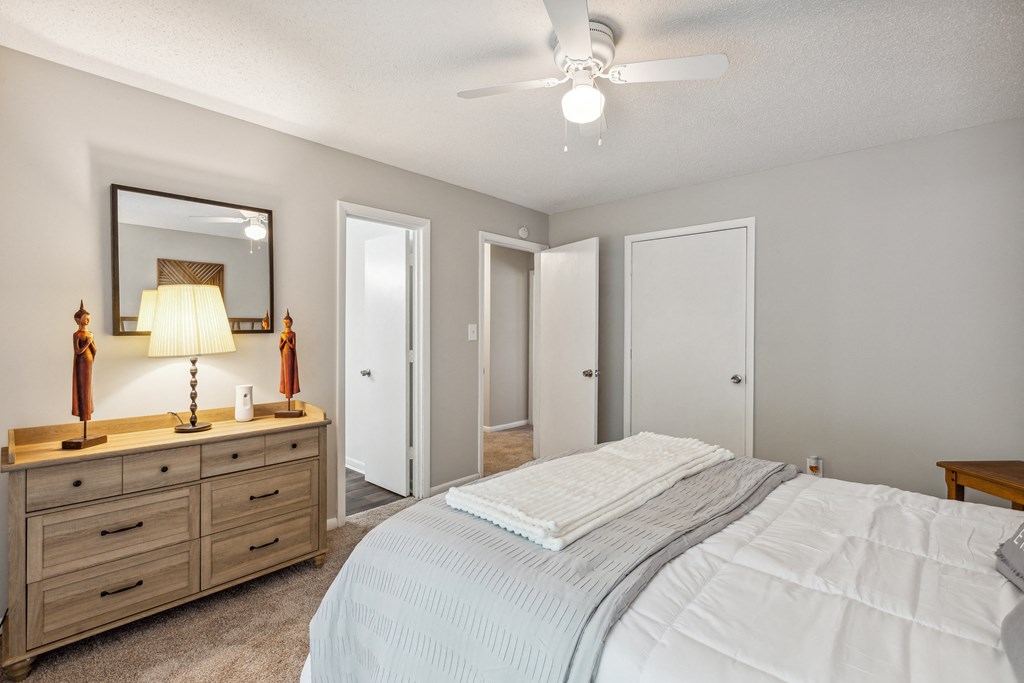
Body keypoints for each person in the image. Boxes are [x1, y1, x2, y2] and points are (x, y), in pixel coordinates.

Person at [72, 300, 96, 422]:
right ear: (78, 320)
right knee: (82, 388)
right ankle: (83, 413)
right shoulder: (77, 334)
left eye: (88, 319)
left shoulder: (90, 333)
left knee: (88, 388)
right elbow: (78, 351)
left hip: (89, 363)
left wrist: (91, 343)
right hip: (81, 364)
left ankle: (88, 413)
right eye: (85, 319)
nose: (87, 321)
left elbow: (95, 350)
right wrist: (87, 343)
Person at [279, 310, 300, 399]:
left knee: (290, 373)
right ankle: (285, 391)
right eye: (285, 323)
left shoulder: (293, 334)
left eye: (288, 323)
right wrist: (284, 341)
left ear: (291, 323)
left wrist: (288, 341)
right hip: (284, 354)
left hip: (290, 355)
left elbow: (293, 346)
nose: (286, 325)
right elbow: (280, 346)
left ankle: (290, 392)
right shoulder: (282, 334)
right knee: (285, 373)